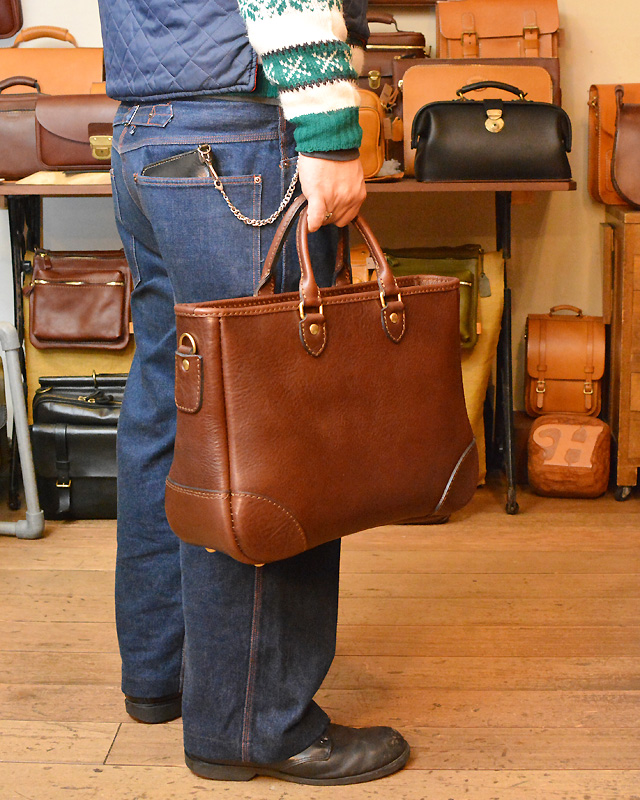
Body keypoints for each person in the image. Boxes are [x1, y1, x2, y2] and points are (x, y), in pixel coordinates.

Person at [97, 0, 410, 785]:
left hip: (146, 126)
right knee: (271, 425)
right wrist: (329, 128)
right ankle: (254, 723)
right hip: (241, 131)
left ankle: (166, 674)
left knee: (176, 403)